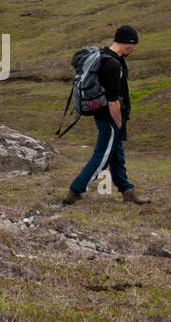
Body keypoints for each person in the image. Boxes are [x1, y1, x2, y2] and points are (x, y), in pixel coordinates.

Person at [62, 25, 151, 205]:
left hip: (106, 116)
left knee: (117, 156)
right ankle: (75, 191)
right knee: (102, 157)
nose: (134, 49)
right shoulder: (111, 64)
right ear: (128, 43)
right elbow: (112, 100)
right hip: (110, 117)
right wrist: (118, 123)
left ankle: (127, 191)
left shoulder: (108, 57)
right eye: (133, 45)